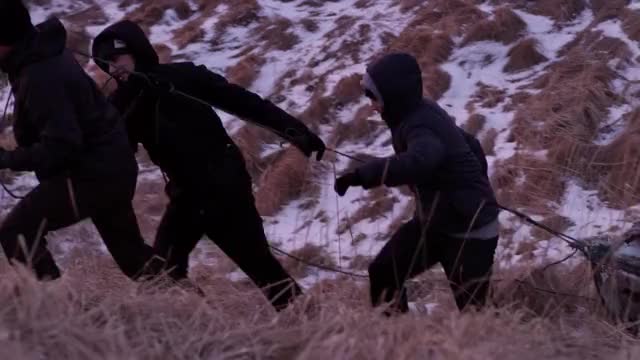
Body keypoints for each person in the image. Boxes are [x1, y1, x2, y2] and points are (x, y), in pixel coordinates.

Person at [92, 20, 326, 310]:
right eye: (106, 65)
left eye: (116, 58)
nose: (114, 69)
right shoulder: (122, 104)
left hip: (225, 186)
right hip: (186, 196)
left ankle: (314, 326)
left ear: (136, 50)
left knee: (260, 265)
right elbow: (116, 153)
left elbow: (242, 102)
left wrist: (295, 131)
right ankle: (194, 326)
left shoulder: (183, 76)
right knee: (164, 273)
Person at [0, 0, 157, 280]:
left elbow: (62, 146)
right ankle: (193, 305)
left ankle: (55, 310)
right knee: (135, 260)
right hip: (109, 165)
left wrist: (8, 159)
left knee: (17, 231)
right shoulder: (40, 54)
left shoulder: (39, 74)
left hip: (92, 174)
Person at [334, 53, 500, 313]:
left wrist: (363, 175)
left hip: (470, 231)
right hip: (435, 222)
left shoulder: (420, 125)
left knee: (475, 315)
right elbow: (471, 144)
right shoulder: (420, 111)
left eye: (375, 98)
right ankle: (395, 341)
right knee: (384, 272)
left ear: (395, 96)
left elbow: (420, 161)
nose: (373, 106)